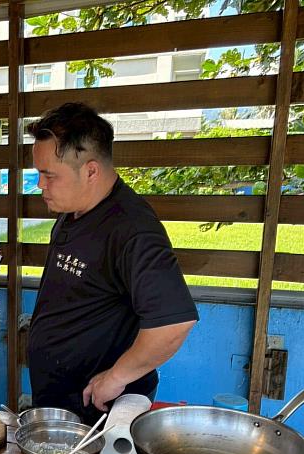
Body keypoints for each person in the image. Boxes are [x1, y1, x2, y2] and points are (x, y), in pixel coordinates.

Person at [26, 102, 198, 430]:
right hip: (60, 401)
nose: (40, 185)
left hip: (102, 411)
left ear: (91, 171)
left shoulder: (133, 229)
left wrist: (117, 377)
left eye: (49, 175)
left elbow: (174, 324)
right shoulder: (73, 211)